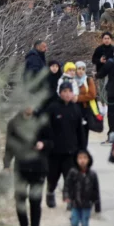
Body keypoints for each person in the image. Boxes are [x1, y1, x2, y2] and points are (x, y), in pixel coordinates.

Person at [4, 107, 52, 226]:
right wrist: (6, 164)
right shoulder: (14, 123)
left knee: (35, 201)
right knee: (20, 200)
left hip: (39, 166)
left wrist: (43, 144)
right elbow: (9, 145)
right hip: (21, 167)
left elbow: (51, 141)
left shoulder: (42, 121)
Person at [44, 82, 86, 210]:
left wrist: (82, 149)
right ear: (60, 92)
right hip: (55, 151)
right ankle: (50, 192)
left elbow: (80, 131)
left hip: (71, 150)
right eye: (64, 91)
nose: (67, 94)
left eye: (69, 91)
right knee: (53, 176)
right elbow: (46, 129)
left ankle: (70, 200)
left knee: (70, 177)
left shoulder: (76, 109)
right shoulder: (53, 108)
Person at [64, 150, 100, 226]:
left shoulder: (92, 174)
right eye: (80, 158)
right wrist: (67, 197)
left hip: (87, 204)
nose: (82, 161)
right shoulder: (73, 172)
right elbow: (67, 186)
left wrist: (97, 205)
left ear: (89, 160)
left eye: (85, 158)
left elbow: (96, 191)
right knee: (74, 222)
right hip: (75, 203)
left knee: (84, 224)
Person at [75, 61, 98, 148]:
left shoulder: (88, 80)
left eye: (83, 69)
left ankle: (83, 152)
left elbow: (92, 95)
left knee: (84, 133)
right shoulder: (72, 80)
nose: (81, 71)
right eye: (79, 69)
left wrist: (77, 98)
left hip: (85, 109)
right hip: (74, 109)